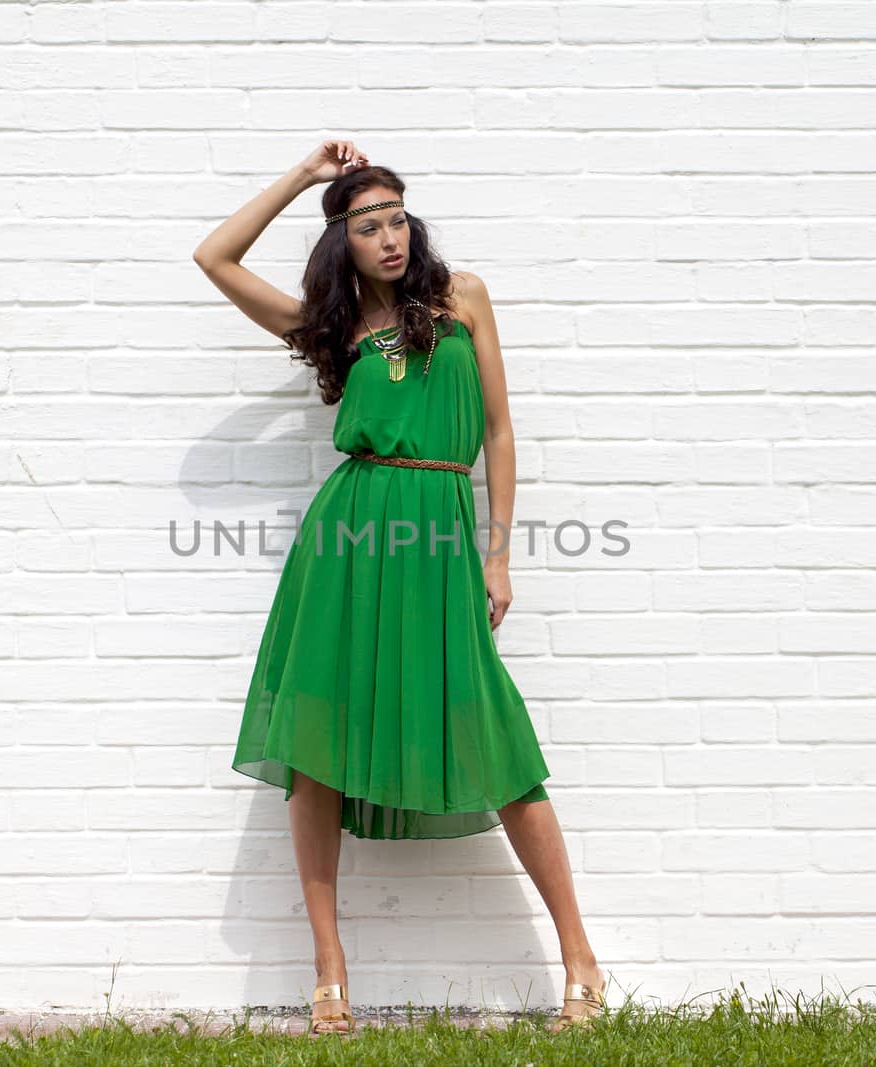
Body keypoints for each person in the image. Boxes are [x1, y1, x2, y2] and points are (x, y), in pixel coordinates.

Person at [193, 139, 607, 1038]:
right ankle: (330, 972)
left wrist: (497, 556)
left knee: (486, 725)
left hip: (441, 530)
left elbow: (498, 430)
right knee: (317, 740)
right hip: (348, 539)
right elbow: (214, 258)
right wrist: (303, 180)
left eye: (395, 219)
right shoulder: (334, 326)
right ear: (342, 240)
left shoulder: (464, 300)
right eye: (365, 224)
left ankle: (581, 957)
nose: (386, 236)